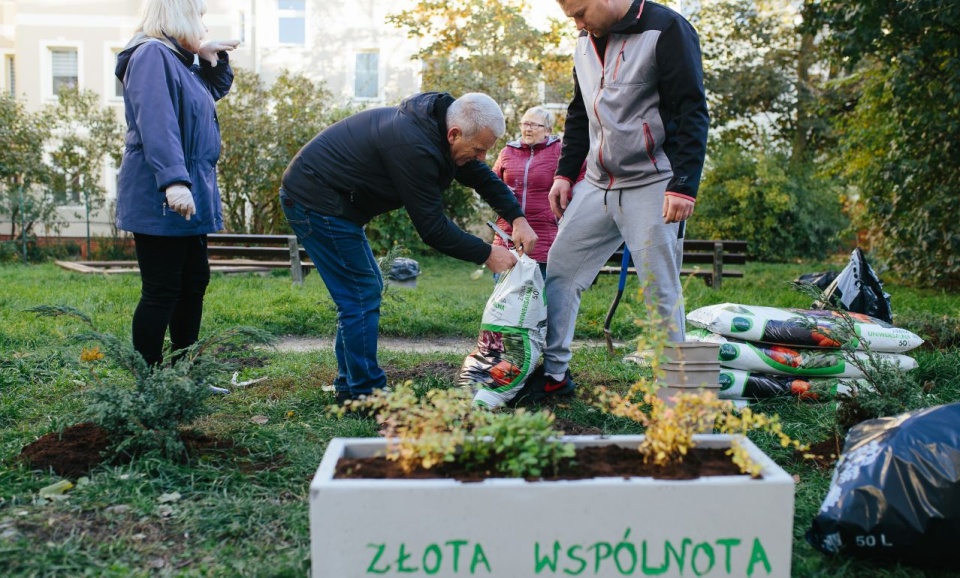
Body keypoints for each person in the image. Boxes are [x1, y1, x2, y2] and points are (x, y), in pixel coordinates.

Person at [279, 92, 538, 406]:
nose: (482, 157)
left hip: (335, 204)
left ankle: (352, 387)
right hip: (316, 202)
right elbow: (432, 228)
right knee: (360, 293)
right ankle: (365, 394)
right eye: (479, 149)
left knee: (361, 293)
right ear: (454, 134)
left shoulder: (442, 133)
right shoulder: (415, 147)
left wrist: (517, 217)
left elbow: (481, 177)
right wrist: (487, 254)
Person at [535, 0, 710, 398]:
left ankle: (679, 396)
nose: (577, 24)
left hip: (653, 181)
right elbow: (580, 111)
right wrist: (565, 173)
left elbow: (691, 110)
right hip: (597, 183)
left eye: (580, 12)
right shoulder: (585, 40)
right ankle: (553, 375)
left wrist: (683, 184)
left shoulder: (666, 30)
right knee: (561, 270)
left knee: (659, 288)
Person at [114, 0, 239, 368]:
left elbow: (205, 97)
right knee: (162, 290)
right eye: (198, 16)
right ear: (178, 15)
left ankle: (184, 372)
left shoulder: (178, 63)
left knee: (192, 285)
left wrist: (208, 59)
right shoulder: (151, 54)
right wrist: (173, 182)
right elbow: (157, 122)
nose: (202, 24)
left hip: (189, 193)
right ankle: (148, 382)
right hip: (163, 194)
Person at [491, 106, 565, 280]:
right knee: (503, 296)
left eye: (533, 125)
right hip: (507, 234)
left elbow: (579, 181)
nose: (527, 128)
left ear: (548, 130)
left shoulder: (560, 152)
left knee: (537, 296)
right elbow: (490, 183)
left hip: (544, 235)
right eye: (524, 124)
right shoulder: (507, 152)